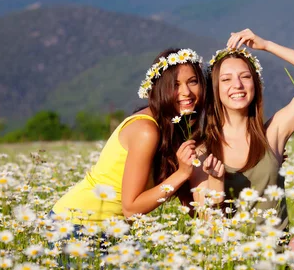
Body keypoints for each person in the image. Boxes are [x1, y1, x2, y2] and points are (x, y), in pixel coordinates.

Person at [51, 48, 224, 225]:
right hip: (77, 223)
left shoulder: (177, 130)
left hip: (111, 229)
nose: (186, 92)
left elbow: (196, 211)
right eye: (175, 85)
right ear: (160, 89)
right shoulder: (146, 130)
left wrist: (216, 182)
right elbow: (131, 209)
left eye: (193, 81)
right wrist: (182, 173)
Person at [195, 31, 294, 232]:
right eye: (226, 79)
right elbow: (209, 229)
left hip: (279, 258)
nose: (237, 85)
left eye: (245, 77)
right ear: (214, 89)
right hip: (233, 259)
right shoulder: (202, 152)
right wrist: (216, 183)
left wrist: (267, 45)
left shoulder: (273, 134)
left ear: (255, 84)